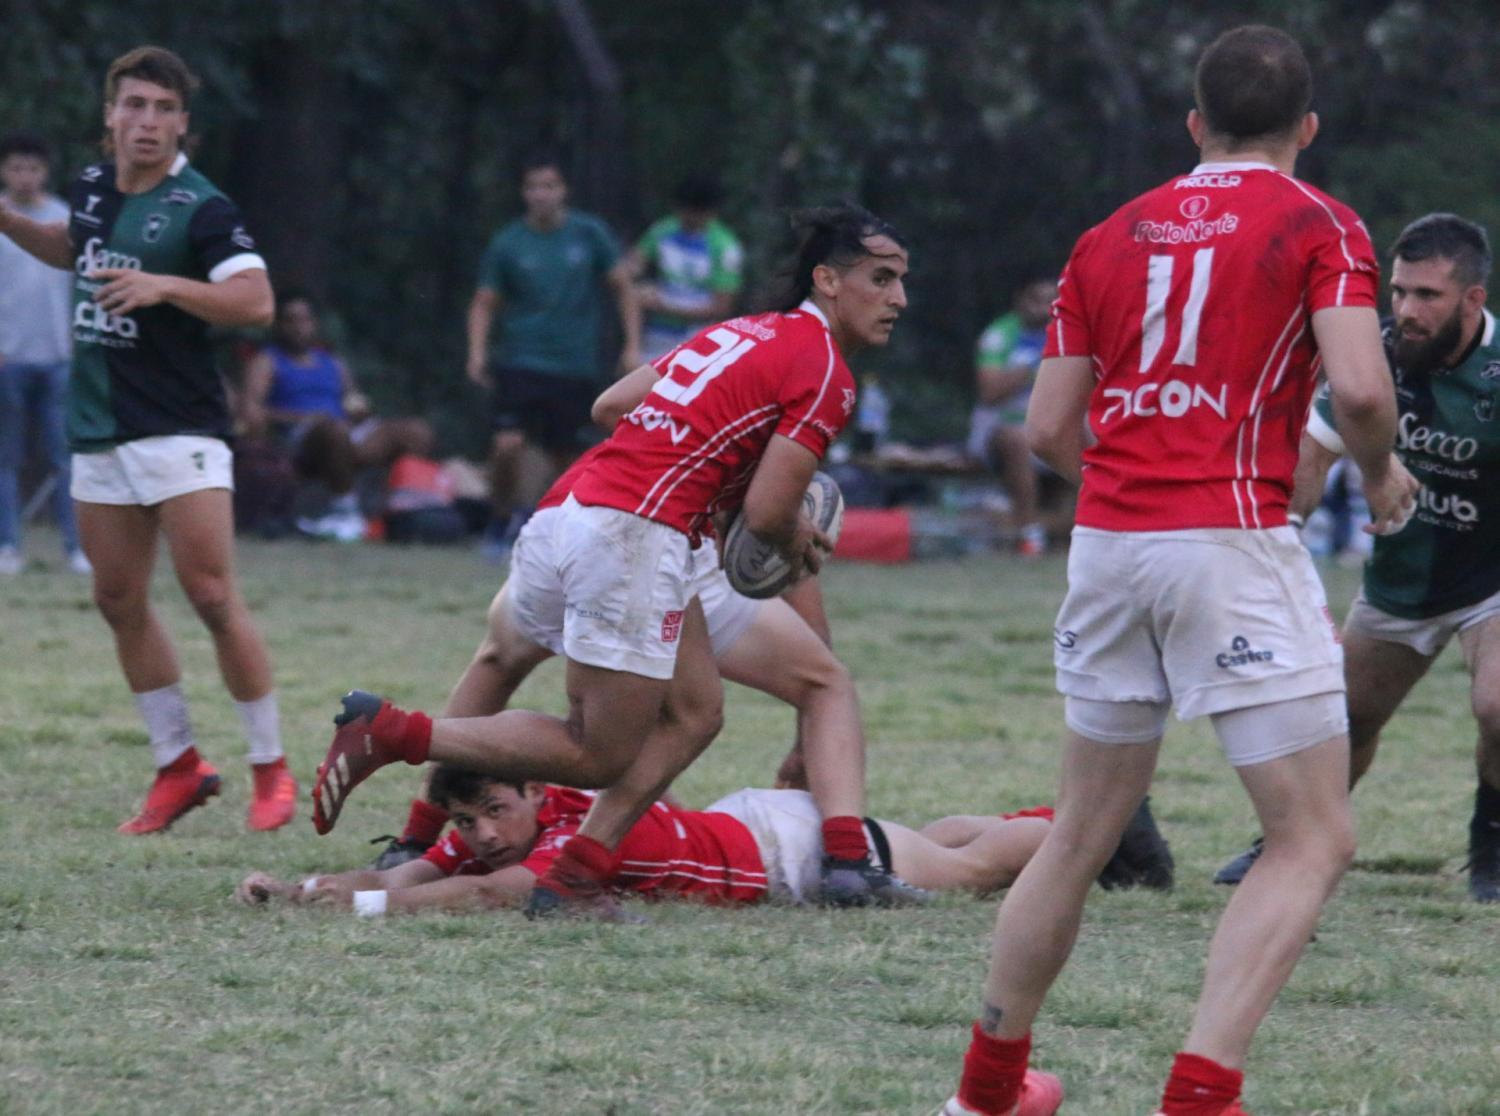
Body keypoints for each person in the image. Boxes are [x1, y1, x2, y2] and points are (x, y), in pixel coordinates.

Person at [940, 26, 1418, 1116]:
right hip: (1227, 542)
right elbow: (1362, 395)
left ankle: (985, 1095)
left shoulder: (1107, 235)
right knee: (1314, 836)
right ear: (1306, 128)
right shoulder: (1321, 223)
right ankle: (1200, 1097)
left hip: (1108, 543)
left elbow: (1051, 426)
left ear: (1194, 126)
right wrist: (1379, 478)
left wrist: (1137, 479)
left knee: (1077, 835)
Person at [313, 204, 918, 912]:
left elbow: (610, 406)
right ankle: (391, 731)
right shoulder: (825, 371)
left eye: (902, 281)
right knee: (597, 753)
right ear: (828, 280)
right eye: (882, 278)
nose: (898, 299)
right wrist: (791, 538)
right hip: (634, 536)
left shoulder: (737, 332)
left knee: (695, 713)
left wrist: (706, 463)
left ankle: (573, 878)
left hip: (570, 512)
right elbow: (766, 514)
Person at [0, 46, 297, 834]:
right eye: (134, 105)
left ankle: (269, 765)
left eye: (164, 110)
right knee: (117, 598)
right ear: (110, 114)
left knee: (209, 595)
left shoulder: (203, 206)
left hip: (180, 429)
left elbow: (256, 300)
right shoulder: (94, 189)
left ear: (181, 124)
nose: (147, 123)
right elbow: (73, 250)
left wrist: (165, 285)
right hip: (98, 427)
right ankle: (179, 766)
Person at [1214, 214, 1500, 904]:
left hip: (1490, 579)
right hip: (1399, 583)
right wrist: (1272, 545)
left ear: (1472, 299)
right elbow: (1311, 459)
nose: (1405, 310)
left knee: (1498, 704)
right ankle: (1289, 844)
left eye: (1427, 296)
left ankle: (1491, 844)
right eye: (1398, 291)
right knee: (1343, 721)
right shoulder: (1369, 355)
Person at [243, 764, 1152, 916]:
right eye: (467, 823)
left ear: (528, 792)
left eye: (489, 814)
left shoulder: (560, 833)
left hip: (782, 854)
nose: (478, 837)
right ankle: (1058, 815)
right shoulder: (518, 818)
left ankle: (1101, 830)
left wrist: (350, 914)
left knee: (970, 871)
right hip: (755, 821)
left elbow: (474, 896)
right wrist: (308, 887)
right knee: (935, 836)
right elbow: (410, 871)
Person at [465, 153, 640, 561]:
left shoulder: (589, 235)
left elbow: (623, 288)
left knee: (568, 455)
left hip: (574, 364)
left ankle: (568, 535)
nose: (541, 195)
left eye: (549, 186)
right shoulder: (509, 242)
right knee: (507, 444)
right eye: (533, 187)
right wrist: (476, 351)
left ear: (563, 191)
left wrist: (631, 345)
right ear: (523, 193)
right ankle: (499, 519)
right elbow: (484, 302)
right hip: (520, 360)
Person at [239, 290, 433, 540]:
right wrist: (303, 419)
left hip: (345, 432)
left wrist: (360, 409)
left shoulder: (332, 362)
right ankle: (344, 510)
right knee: (333, 430)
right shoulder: (267, 361)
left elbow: (353, 399)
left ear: (314, 324)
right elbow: (251, 410)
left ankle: (408, 509)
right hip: (302, 439)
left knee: (416, 430)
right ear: (278, 324)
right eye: (291, 320)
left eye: (305, 320)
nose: (299, 327)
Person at [0, 130, 88, 575]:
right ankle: (8, 546)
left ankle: (77, 548)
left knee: (65, 459)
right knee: (7, 458)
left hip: (59, 357)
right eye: (15, 167)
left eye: (32, 168)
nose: (24, 176)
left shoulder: (64, 220)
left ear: (45, 172)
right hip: (8, 359)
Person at [967, 278, 1058, 558]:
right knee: (1018, 439)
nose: (1044, 309)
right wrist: (1033, 366)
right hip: (997, 428)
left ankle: (1086, 528)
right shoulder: (1001, 334)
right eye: (1037, 300)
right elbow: (990, 392)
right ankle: (1029, 533)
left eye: (1051, 301)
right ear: (1022, 300)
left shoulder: (1065, 334)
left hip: (1050, 426)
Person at [627, 173, 746, 363]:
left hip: (698, 341)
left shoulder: (724, 246)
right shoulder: (664, 230)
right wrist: (635, 283)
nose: (688, 217)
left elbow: (722, 306)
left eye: (695, 213)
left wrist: (665, 306)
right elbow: (633, 265)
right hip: (656, 338)